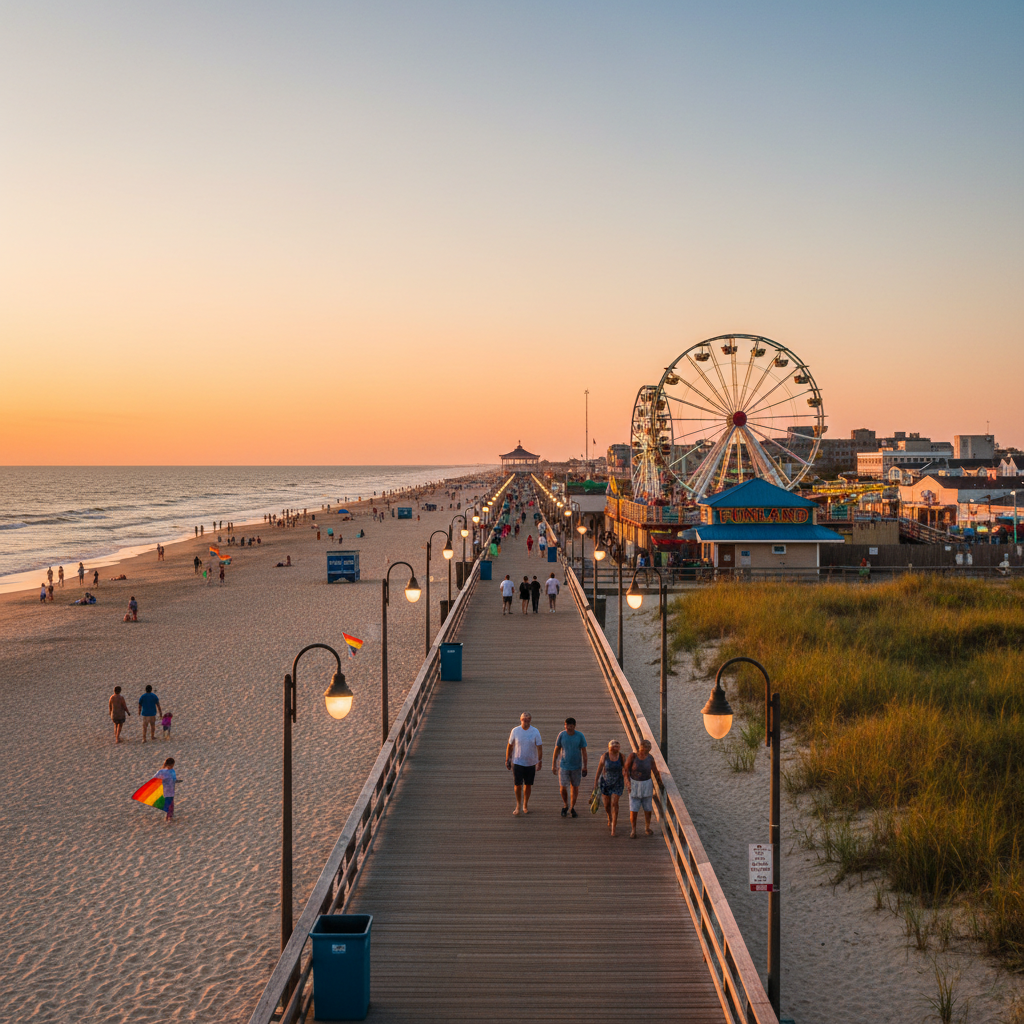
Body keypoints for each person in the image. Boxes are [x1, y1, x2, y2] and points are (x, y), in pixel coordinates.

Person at [505, 713, 543, 816]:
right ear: (520, 719)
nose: (525, 721)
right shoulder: (515, 731)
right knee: (517, 785)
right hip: (517, 761)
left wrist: (539, 761)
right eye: (524, 719)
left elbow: (539, 747)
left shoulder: (535, 731)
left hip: (531, 762)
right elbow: (510, 745)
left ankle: (525, 804)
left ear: (530, 720)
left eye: (527, 720)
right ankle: (518, 804)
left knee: (528, 785)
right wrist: (507, 759)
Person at [625, 739, 662, 838]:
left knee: (648, 808)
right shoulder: (633, 756)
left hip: (646, 784)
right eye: (646, 746)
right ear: (641, 747)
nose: (648, 748)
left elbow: (655, 771)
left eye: (649, 746)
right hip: (634, 784)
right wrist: (628, 782)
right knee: (634, 809)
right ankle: (633, 830)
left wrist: (660, 783)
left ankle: (647, 827)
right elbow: (625, 770)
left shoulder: (650, 758)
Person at [552, 718, 588, 817]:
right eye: (567, 725)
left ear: (574, 726)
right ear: (565, 725)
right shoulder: (562, 735)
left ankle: (572, 807)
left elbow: (584, 752)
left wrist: (585, 766)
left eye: (571, 725)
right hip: (564, 765)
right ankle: (565, 804)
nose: (569, 727)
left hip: (577, 766)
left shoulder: (580, 736)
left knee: (575, 787)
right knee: (563, 787)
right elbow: (557, 749)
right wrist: (554, 764)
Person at [593, 739, 625, 835]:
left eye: (617, 745)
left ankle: (613, 828)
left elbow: (626, 769)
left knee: (614, 803)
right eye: (613, 745)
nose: (616, 747)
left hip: (618, 782)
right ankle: (609, 817)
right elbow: (599, 770)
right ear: (609, 747)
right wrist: (595, 782)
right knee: (607, 805)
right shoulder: (605, 756)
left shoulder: (622, 757)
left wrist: (628, 780)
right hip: (606, 782)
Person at [155, 757, 177, 821]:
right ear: (168, 765)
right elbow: (154, 779)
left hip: (171, 790)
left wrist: (176, 781)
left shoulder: (173, 771)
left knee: (171, 804)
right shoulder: (161, 772)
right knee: (169, 804)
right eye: (171, 765)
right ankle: (168, 818)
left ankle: (170, 817)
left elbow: (174, 779)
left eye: (173, 765)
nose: (172, 767)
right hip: (165, 791)